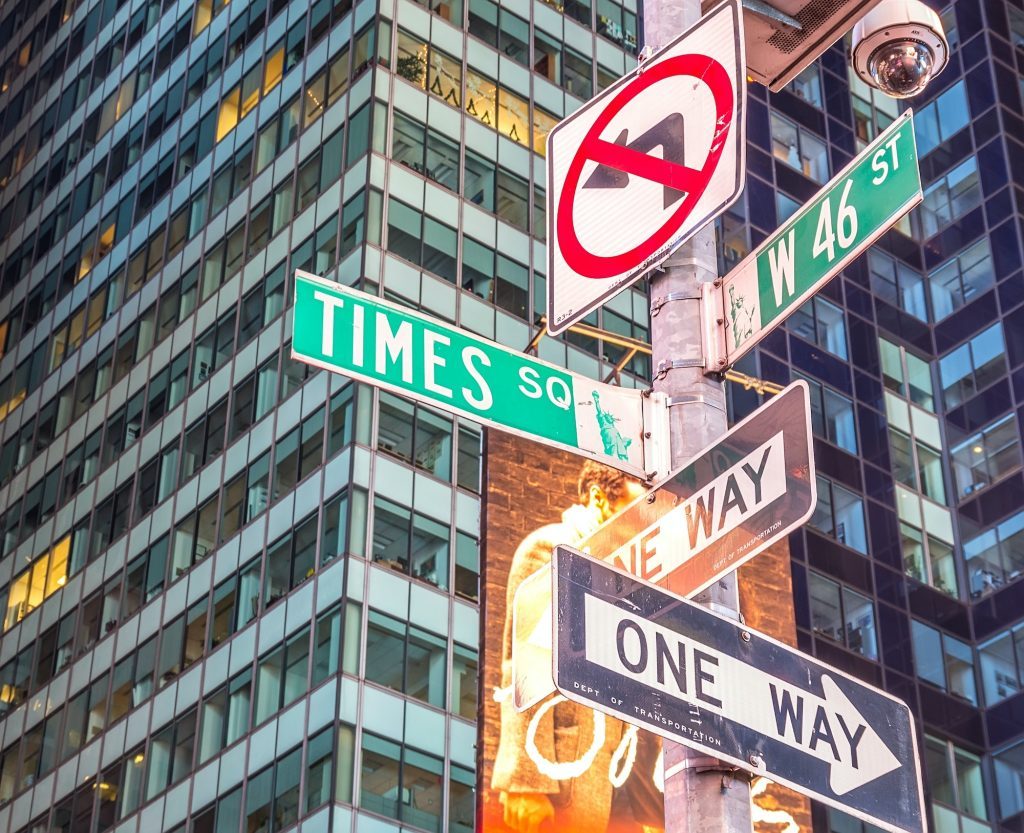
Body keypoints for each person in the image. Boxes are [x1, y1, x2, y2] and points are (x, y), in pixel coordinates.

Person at [491, 461, 663, 833]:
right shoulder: (552, 548)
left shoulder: (632, 579)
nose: (650, 521)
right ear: (600, 499)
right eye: (640, 506)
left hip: (620, 789)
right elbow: (523, 665)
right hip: (564, 781)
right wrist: (527, 784)